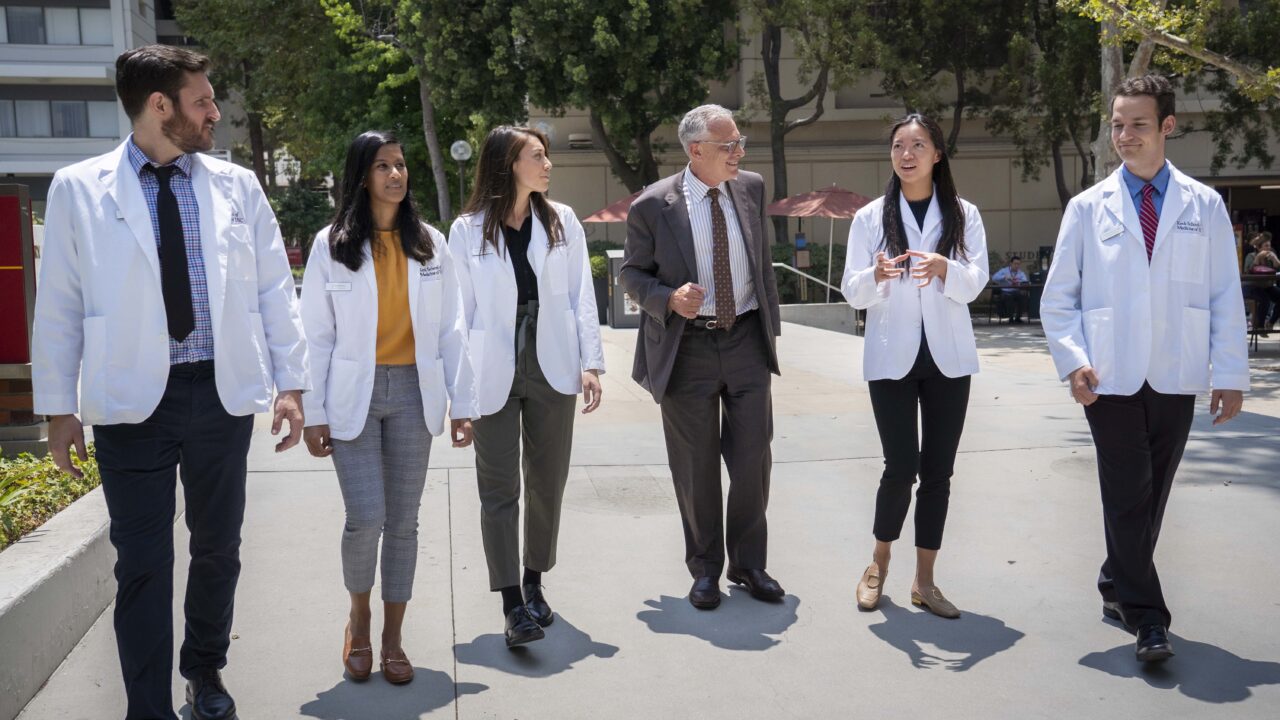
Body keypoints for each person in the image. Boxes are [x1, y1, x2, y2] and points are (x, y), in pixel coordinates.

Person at [30, 45, 308, 720]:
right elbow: (60, 303)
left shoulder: (235, 185)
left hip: (220, 394)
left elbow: (274, 287)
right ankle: (147, 707)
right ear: (160, 107)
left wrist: (293, 383)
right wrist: (57, 409)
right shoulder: (78, 188)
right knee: (143, 563)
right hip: (130, 404)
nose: (215, 112)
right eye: (201, 100)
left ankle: (205, 674)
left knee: (218, 549)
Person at [1041, 74, 1248, 664]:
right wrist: (1073, 362)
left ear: (1167, 127)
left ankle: (1115, 581)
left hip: (1176, 372)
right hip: (1109, 376)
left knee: (1152, 493)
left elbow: (1223, 296)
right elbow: (1059, 298)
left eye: (1137, 124)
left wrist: (1229, 373)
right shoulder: (1087, 208)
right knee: (1127, 493)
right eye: (1117, 124)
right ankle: (1149, 618)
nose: (1124, 136)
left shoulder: (1203, 206)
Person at [300, 131, 478, 683]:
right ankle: (359, 619)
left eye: (400, 165)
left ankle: (394, 639)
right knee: (366, 517)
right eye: (383, 166)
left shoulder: (430, 243)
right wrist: (313, 411)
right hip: (350, 394)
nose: (396, 175)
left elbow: (451, 329)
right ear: (362, 175)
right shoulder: (331, 244)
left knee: (403, 523)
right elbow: (316, 335)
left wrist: (462, 402)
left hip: (413, 392)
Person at [619, 104, 784, 611]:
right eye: (728, 145)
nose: (739, 152)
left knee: (753, 457)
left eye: (740, 143)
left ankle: (749, 564)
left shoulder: (751, 188)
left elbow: (760, 265)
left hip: (746, 340)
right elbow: (631, 274)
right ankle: (706, 569)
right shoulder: (652, 206)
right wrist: (667, 298)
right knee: (696, 467)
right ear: (696, 151)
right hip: (685, 345)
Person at [448, 125, 605, 648]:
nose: (548, 164)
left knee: (547, 481)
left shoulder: (563, 221)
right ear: (509, 163)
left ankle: (536, 582)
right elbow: (458, 316)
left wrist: (591, 363)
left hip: (553, 361)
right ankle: (512, 604)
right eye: (537, 156)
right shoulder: (467, 231)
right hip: (493, 367)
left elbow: (581, 294)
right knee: (498, 489)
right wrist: (460, 396)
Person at [841, 113, 989, 620]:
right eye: (899, 145)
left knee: (939, 473)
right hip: (891, 359)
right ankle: (878, 563)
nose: (907, 154)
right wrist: (874, 274)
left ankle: (925, 580)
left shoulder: (963, 214)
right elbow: (851, 290)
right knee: (900, 467)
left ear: (937, 154)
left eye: (918, 145)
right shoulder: (870, 217)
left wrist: (948, 268)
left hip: (948, 359)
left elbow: (977, 282)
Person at [991, 256, 1029, 323]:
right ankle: (1010, 318)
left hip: (1016, 291)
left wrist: (1019, 283)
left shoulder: (1021, 273)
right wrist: (1004, 277)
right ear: (1011, 264)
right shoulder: (1004, 271)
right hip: (1005, 292)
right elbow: (994, 278)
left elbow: (1025, 281)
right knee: (1009, 297)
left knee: (1023, 297)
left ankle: (1018, 318)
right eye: (1015, 263)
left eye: (1018, 264)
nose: (1017, 266)